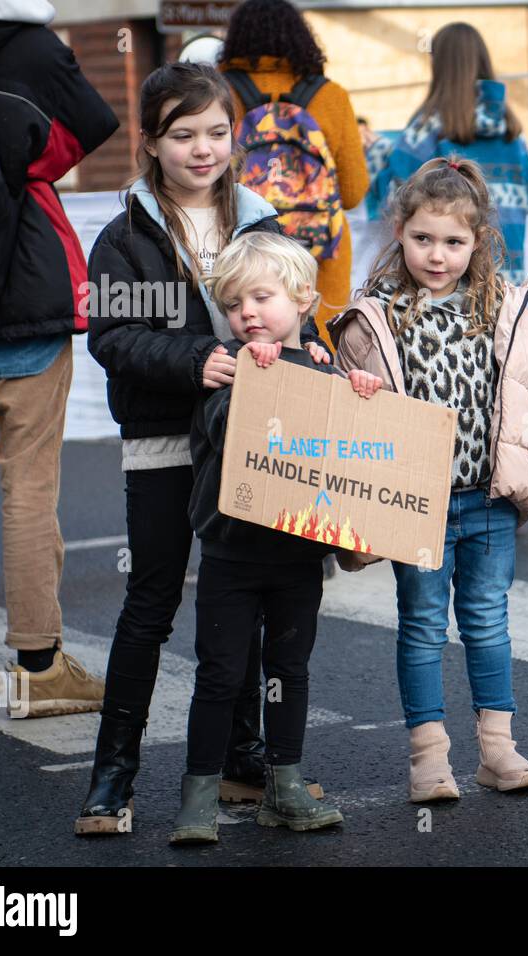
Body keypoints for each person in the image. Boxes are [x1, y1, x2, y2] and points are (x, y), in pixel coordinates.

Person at [76, 62, 332, 836]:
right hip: (163, 440)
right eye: (182, 134)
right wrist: (197, 362)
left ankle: (245, 765)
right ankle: (112, 779)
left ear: (235, 136)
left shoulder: (261, 222)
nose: (202, 149)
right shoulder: (124, 235)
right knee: (151, 602)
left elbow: (294, 309)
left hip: (256, 441)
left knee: (249, 601)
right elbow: (113, 338)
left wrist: (319, 357)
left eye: (217, 132)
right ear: (151, 141)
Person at [329, 156, 528, 802]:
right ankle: (428, 759)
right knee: (419, 625)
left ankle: (497, 752)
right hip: (415, 506)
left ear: (479, 242)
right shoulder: (375, 315)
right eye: (422, 240)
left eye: (453, 242)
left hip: (489, 501)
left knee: (488, 622)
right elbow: (345, 417)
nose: (436, 256)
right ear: (400, 233)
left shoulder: (503, 308)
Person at [0, 0, 117, 715]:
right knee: (29, 490)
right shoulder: (33, 48)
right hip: (23, 294)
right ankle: (39, 668)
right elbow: (86, 130)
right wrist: (13, 162)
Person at [171, 232, 369, 843]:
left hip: (296, 555)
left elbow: (346, 442)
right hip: (231, 552)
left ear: (304, 299)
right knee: (221, 674)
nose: (247, 314)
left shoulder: (321, 365)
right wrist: (257, 380)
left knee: (290, 668)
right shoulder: (225, 368)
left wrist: (360, 391)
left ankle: (285, 787)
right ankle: (198, 799)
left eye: (261, 298)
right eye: (234, 305)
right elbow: (231, 432)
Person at [218, 0, 367, 332]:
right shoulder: (331, 97)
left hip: (240, 247)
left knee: (244, 351)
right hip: (317, 255)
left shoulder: (218, 92)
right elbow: (354, 193)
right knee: (319, 348)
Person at [365, 23, 528, 285]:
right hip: (505, 280)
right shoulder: (513, 133)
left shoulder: (428, 128)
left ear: (439, 65)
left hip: (447, 284)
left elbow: (396, 198)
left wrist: (379, 151)